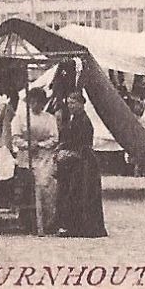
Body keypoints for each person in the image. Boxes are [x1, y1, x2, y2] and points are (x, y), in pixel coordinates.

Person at [54, 91, 107, 238]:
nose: (70, 106)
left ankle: (81, 228)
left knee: (79, 193)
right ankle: (73, 227)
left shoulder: (84, 121)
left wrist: (68, 152)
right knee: (73, 193)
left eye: (73, 103)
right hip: (76, 160)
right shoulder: (75, 119)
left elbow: (82, 143)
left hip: (84, 161)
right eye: (69, 103)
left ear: (81, 104)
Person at [13, 87, 58, 234]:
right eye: (32, 102)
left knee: (45, 187)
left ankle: (46, 223)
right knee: (27, 191)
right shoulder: (20, 117)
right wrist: (27, 145)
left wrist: (39, 145)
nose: (35, 105)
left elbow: (54, 138)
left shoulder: (49, 118)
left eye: (39, 102)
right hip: (26, 158)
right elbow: (16, 138)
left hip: (44, 157)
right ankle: (27, 223)